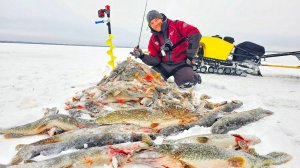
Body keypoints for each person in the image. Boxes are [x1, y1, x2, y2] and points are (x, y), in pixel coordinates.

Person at [131, 10, 202, 88]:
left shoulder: (176, 25)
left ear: (161, 18)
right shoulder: (153, 39)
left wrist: (190, 56)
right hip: (164, 66)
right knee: (149, 82)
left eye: (156, 20)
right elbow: (155, 60)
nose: (155, 24)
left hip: (181, 64)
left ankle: (192, 75)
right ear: (150, 26)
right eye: (152, 23)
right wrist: (142, 55)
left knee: (186, 83)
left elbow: (195, 33)